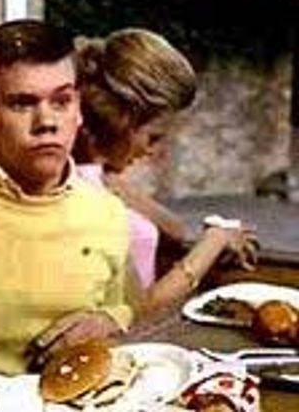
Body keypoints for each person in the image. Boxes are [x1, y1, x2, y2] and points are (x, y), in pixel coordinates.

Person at [0, 19, 132, 375]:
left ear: (79, 109)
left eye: (61, 101)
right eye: (22, 103)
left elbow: (126, 310)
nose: (47, 122)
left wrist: (110, 320)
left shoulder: (107, 213)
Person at [73, 29, 258, 312]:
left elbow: (175, 230)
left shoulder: (101, 179)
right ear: (121, 123)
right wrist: (215, 240)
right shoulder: (85, 193)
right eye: (153, 137)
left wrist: (116, 183)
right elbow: (138, 309)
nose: (154, 151)